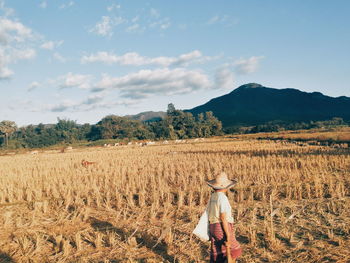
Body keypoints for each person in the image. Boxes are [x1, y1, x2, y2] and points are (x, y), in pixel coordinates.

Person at [207, 172, 242, 263]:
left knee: (217, 250)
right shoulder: (222, 198)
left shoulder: (213, 197)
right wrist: (228, 235)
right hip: (221, 226)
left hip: (213, 226)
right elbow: (223, 217)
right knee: (235, 250)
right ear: (225, 187)